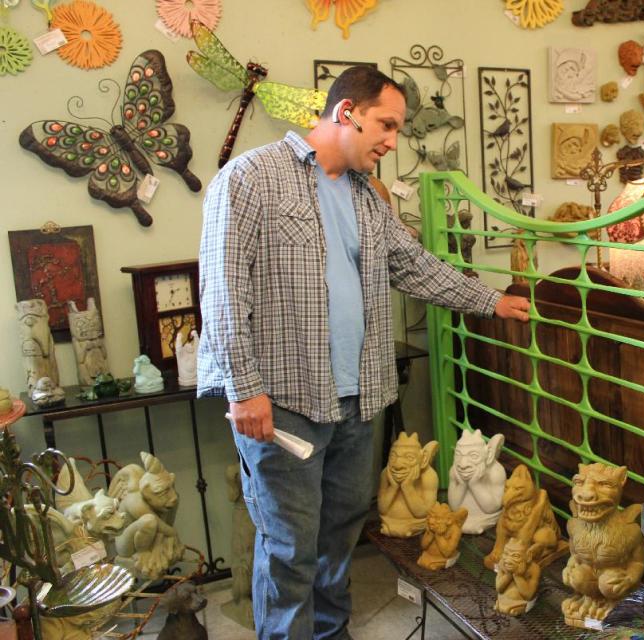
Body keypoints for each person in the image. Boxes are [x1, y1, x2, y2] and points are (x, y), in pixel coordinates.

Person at [197, 66, 530, 640]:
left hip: (358, 397)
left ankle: (331, 634)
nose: (392, 142)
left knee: (340, 533)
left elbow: (414, 266)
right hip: (283, 401)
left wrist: (491, 301)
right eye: (387, 125)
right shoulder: (250, 178)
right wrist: (244, 388)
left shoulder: (366, 198)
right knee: (289, 546)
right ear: (347, 111)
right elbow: (222, 292)